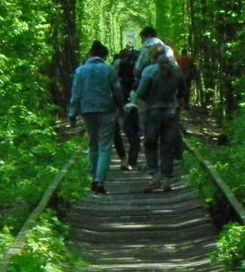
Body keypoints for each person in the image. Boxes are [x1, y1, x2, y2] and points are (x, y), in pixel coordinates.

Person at [67, 41, 124, 195]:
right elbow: (117, 91)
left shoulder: (80, 71)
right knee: (105, 146)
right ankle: (99, 180)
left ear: (90, 54)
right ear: (104, 56)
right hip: (107, 110)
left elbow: (76, 94)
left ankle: (93, 176)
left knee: (93, 144)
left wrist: (72, 114)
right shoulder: (109, 69)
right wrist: (121, 109)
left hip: (88, 111)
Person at [135, 43, 187, 192]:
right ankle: (167, 179)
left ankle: (154, 176)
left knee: (150, 144)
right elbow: (184, 91)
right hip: (171, 112)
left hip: (152, 112)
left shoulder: (149, 71)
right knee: (167, 145)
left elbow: (141, 93)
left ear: (152, 56)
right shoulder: (176, 71)